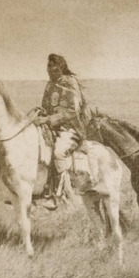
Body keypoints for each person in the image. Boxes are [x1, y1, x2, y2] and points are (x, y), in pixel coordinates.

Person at [33, 53, 90, 207]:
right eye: (48, 67)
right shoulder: (50, 85)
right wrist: (40, 114)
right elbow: (46, 107)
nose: (49, 70)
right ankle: (34, 190)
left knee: (58, 152)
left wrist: (48, 119)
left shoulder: (70, 83)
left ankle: (58, 195)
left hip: (70, 128)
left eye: (52, 67)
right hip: (51, 127)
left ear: (60, 67)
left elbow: (73, 112)